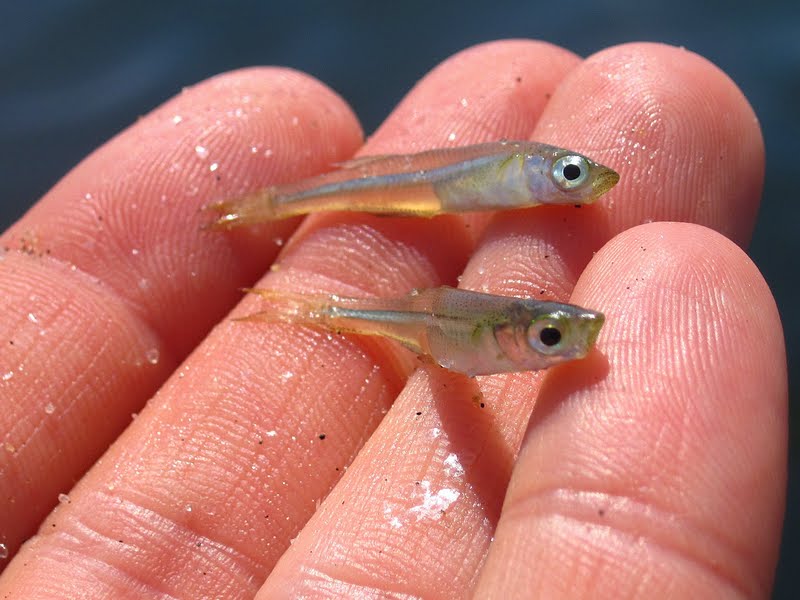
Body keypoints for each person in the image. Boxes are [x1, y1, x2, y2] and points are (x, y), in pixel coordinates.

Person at [0, 40, 786, 598]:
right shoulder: (510, 176)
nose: (581, 182)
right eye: (571, 171)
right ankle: (270, 213)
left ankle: (287, 244)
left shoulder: (518, 206)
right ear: (531, 167)